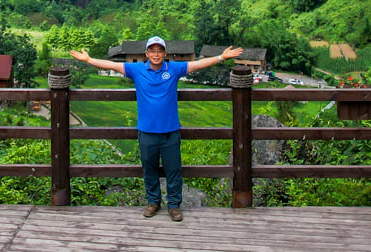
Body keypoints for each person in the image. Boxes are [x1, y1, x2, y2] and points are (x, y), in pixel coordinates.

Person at [70, 37, 243, 220]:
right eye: (152, 51)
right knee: (149, 170)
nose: (156, 54)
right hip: (146, 132)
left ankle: (174, 206)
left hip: (170, 131)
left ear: (164, 54)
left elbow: (197, 64)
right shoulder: (136, 69)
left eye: (159, 51)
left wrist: (221, 57)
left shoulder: (173, 68)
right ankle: (153, 202)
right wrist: (89, 60)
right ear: (146, 54)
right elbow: (112, 65)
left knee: (174, 170)